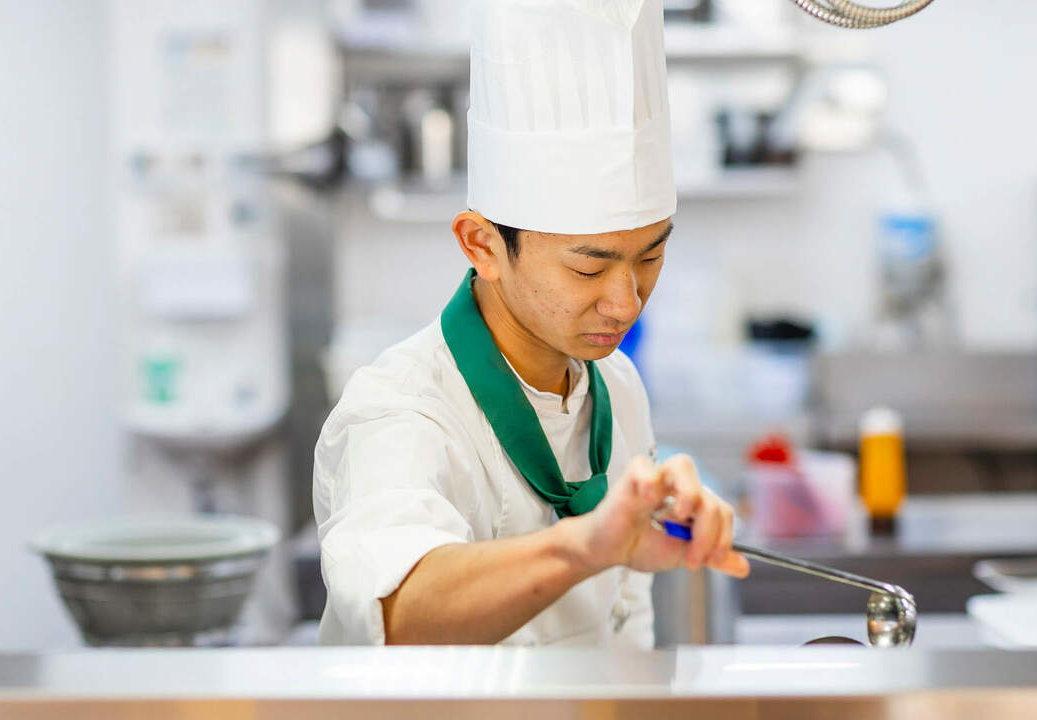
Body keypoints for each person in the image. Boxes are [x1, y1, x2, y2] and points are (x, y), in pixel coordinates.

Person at [313, 0, 749, 648]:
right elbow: (399, 609)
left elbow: (627, 635)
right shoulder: (401, 411)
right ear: (482, 245)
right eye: (588, 267)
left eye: (651, 255)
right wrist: (588, 545)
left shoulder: (618, 387)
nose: (626, 303)